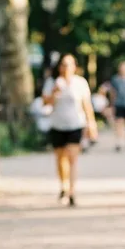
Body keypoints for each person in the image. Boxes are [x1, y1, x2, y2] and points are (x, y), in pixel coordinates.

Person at [42, 54, 97, 206]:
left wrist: (91, 124)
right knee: (60, 159)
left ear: (75, 67)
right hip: (57, 125)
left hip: (75, 125)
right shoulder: (52, 83)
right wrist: (53, 93)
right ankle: (63, 186)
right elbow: (45, 103)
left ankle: (72, 191)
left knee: (73, 158)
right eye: (63, 65)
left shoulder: (80, 83)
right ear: (59, 67)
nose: (66, 68)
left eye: (69, 64)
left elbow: (86, 105)